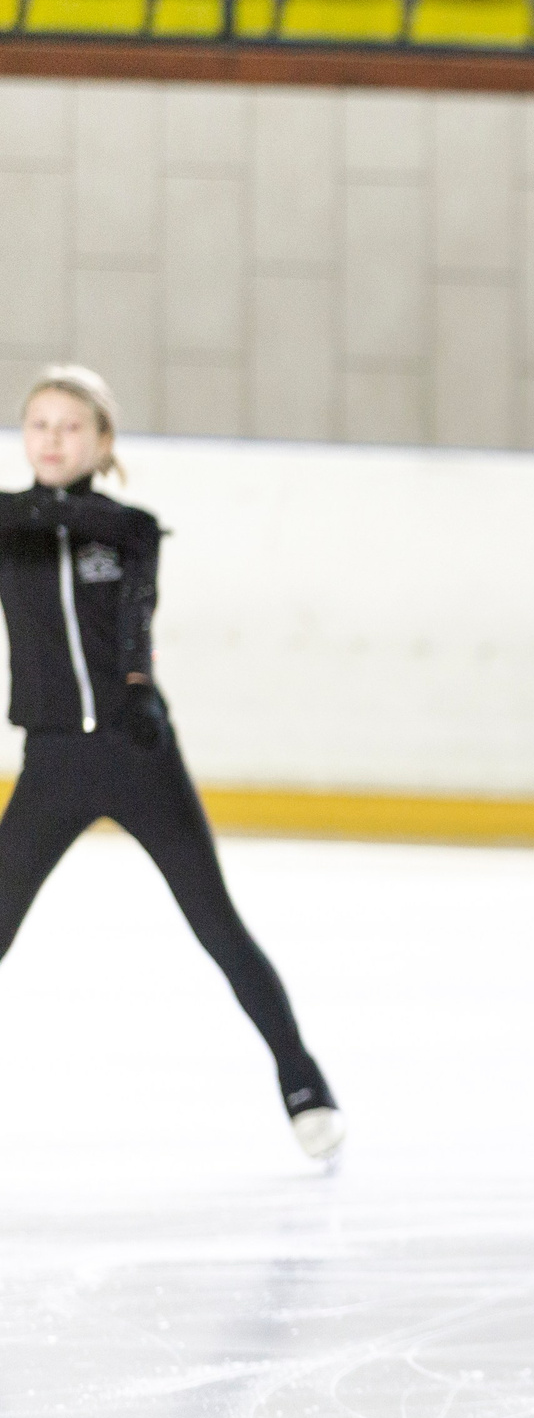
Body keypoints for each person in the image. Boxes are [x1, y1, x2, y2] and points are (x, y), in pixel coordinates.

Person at [1, 367, 343, 1161]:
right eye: (39, 425)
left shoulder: (130, 529)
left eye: (70, 426)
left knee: (217, 924)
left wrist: (139, 689)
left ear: (102, 440)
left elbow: (134, 614)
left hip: (136, 755)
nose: (53, 439)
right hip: (50, 763)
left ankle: (303, 1081)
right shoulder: (9, 525)